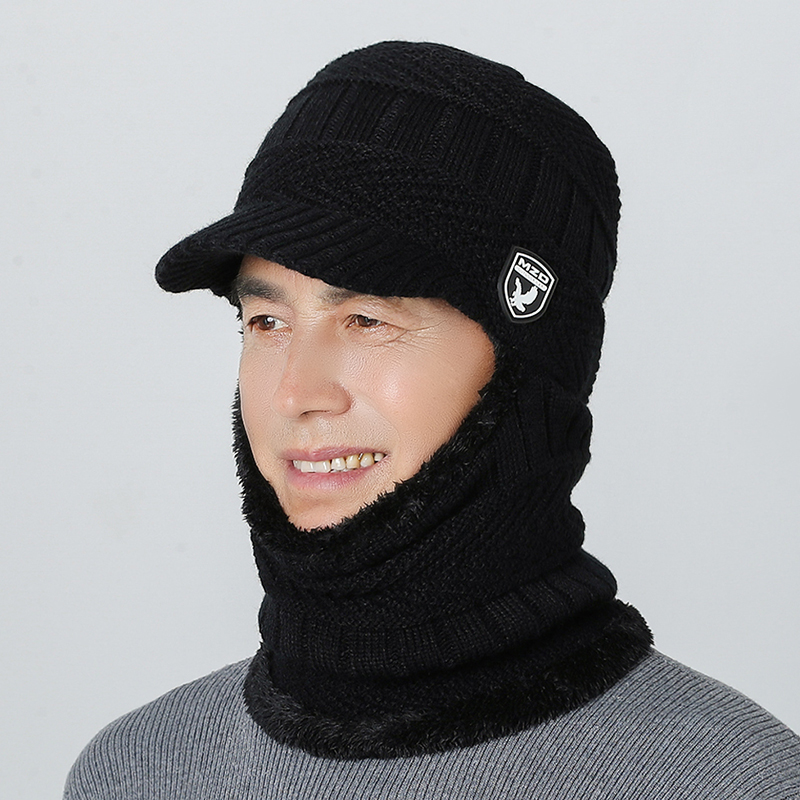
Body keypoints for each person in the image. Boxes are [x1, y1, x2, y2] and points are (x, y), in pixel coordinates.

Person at [64, 41, 800, 799]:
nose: (294, 394)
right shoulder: (138, 770)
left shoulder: (738, 783)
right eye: (266, 322)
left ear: (525, 362)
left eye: (367, 320)